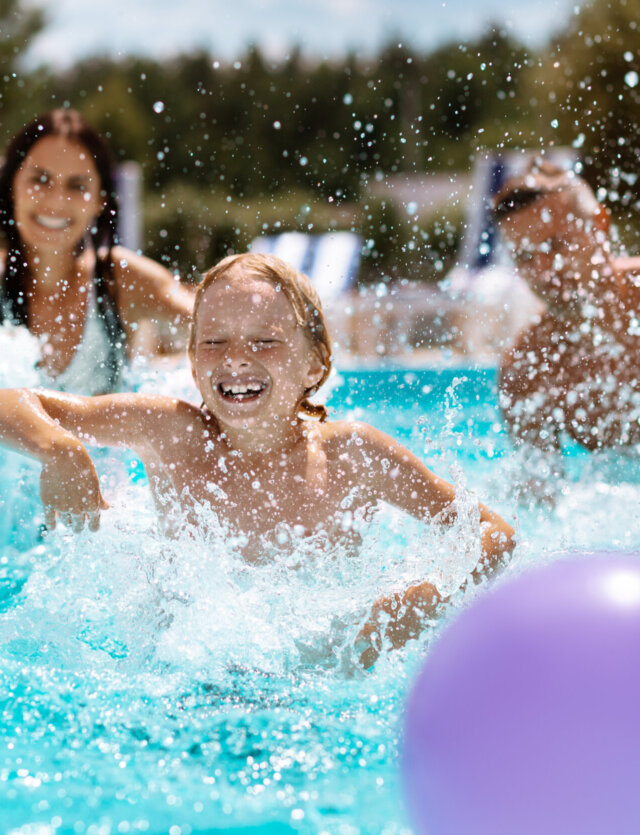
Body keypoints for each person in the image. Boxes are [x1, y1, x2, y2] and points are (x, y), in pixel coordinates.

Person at [0, 253, 515, 667]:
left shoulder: (353, 456)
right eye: (213, 341)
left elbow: (492, 533)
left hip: (319, 689)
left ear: (315, 362)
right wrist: (59, 450)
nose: (236, 358)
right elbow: (13, 401)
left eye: (265, 341)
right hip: (184, 683)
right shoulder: (172, 434)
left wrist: (417, 604)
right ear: (193, 359)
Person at [0, 108, 194, 395]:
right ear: (12, 186)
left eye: (77, 186)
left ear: (100, 200)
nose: (56, 200)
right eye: (40, 180)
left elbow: (219, 322)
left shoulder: (118, 278)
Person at [494, 158, 640, 451]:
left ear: (599, 226)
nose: (544, 271)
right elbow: (534, 493)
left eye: (555, 245)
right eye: (524, 257)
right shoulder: (527, 371)